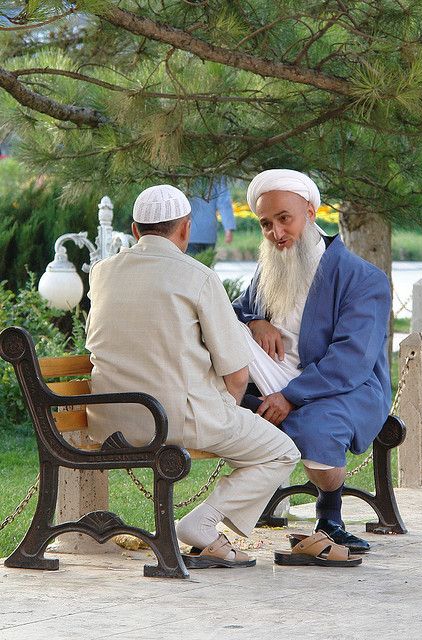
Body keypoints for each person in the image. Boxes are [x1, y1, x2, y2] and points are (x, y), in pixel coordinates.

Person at [85, 184, 300, 569]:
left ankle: (206, 531)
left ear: (135, 231)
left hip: (107, 421)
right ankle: (202, 524)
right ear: (185, 229)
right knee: (282, 451)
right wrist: (227, 412)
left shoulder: (101, 272)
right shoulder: (199, 277)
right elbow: (236, 373)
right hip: (177, 420)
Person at [232, 169, 392, 553]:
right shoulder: (267, 268)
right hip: (274, 373)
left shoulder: (362, 278)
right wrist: (255, 322)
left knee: (318, 425)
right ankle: (250, 404)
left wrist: (290, 397)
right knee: (216, 329)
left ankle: (330, 515)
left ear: (310, 211)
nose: (276, 233)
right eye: (266, 224)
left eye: (284, 219)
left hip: (343, 383)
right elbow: (233, 312)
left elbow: (351, 358)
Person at [187, 176, 235, 255]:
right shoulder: (217, 174)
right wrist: (228, 228)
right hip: (208, 233)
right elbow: (224, 202)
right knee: (206, 265)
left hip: (188, 233)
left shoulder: (183, 172)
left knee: (188, 266)